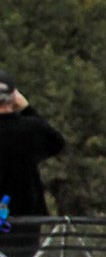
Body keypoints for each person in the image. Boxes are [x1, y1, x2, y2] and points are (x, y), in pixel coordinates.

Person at [0, 72, 64, 218]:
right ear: (13, 97)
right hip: (27, 216)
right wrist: (27, 108)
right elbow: (56, 143)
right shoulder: (31, 128)